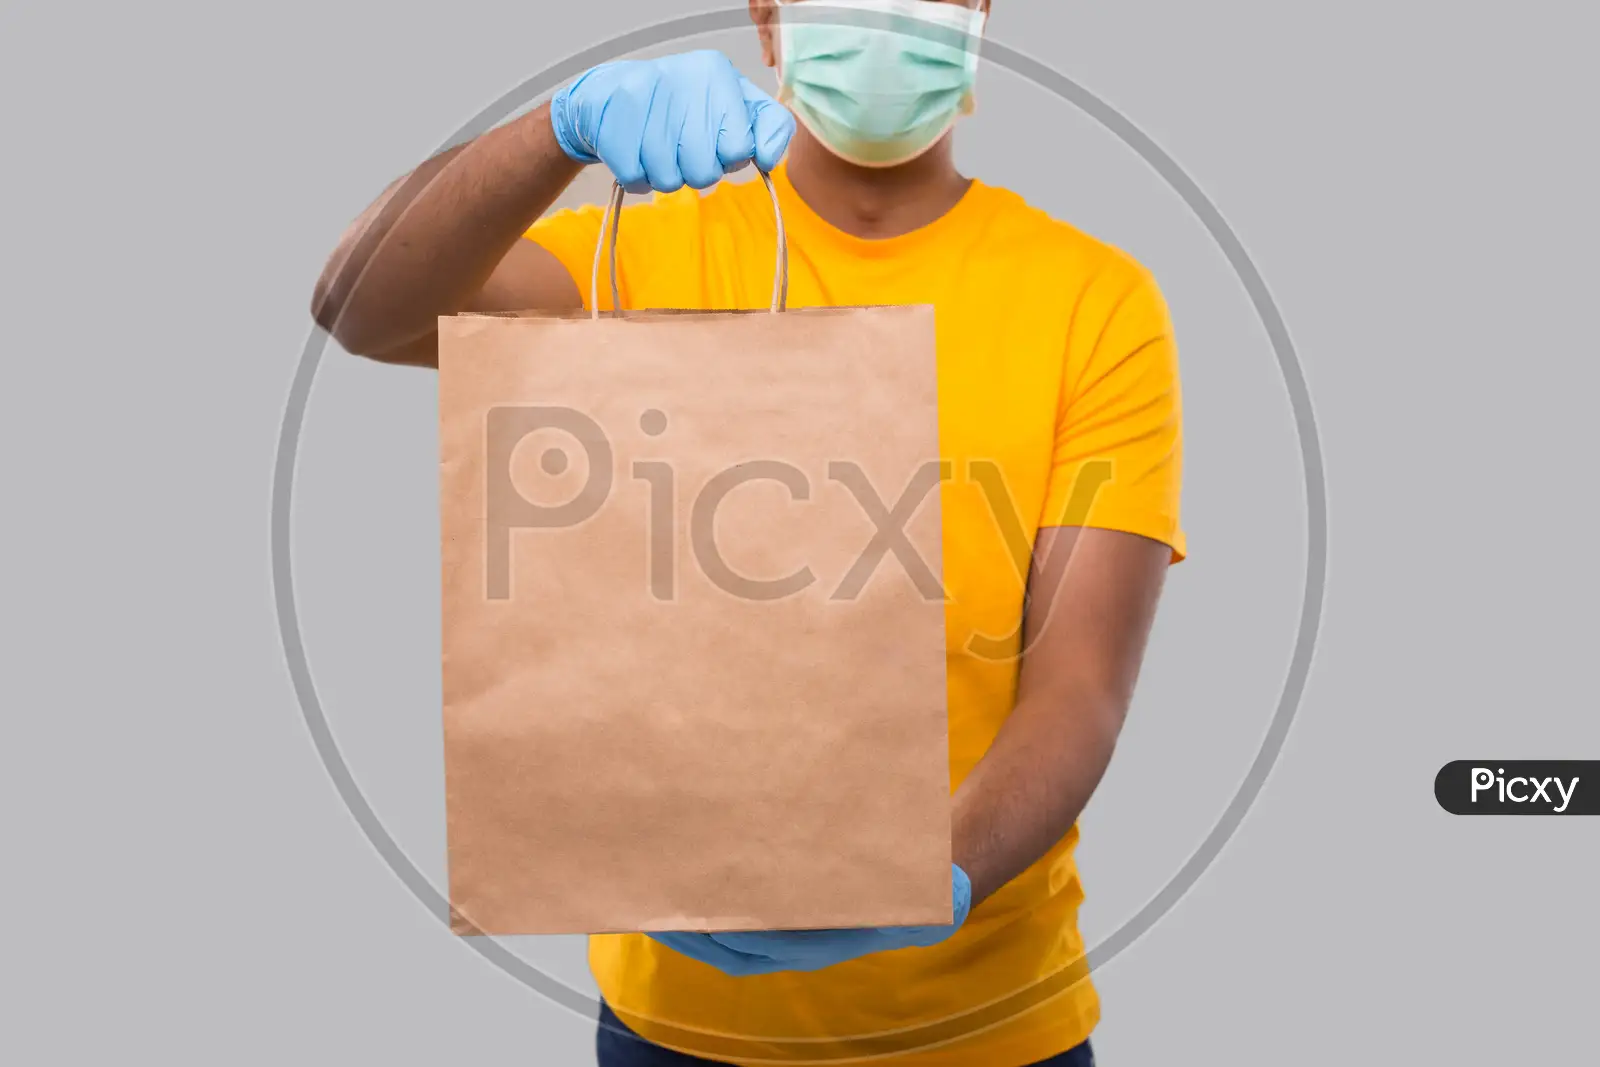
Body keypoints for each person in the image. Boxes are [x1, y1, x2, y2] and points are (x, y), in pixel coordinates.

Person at [313, 1, 1184, 1063]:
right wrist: (557, 130)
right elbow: (360, 306)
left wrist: (931, 874)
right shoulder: (631, 257)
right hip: (669, 1030)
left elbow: (1077, 686)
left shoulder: (1093, 300)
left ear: (978, 19)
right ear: (770, 22)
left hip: (994, 1027)